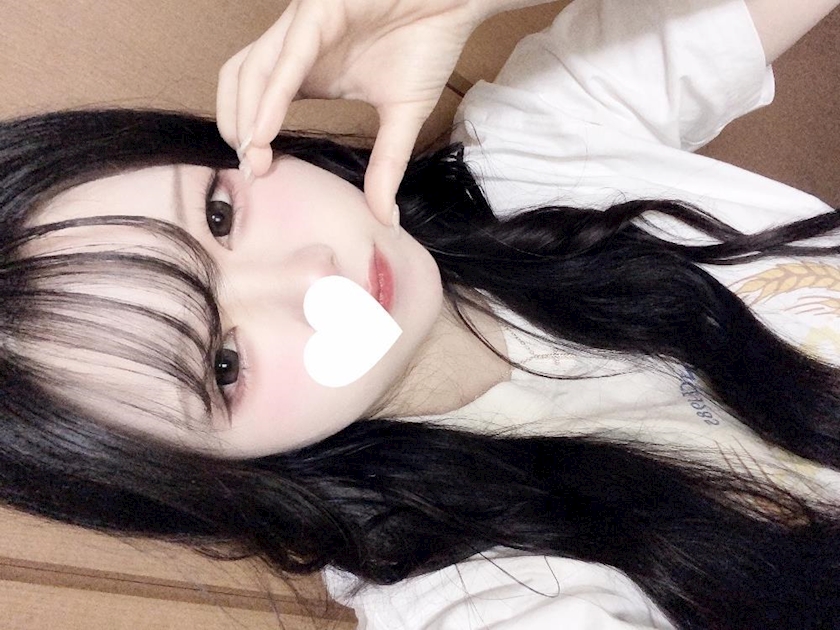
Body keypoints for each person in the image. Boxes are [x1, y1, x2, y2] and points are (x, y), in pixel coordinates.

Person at [1, 0, 839, 628]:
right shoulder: (475, 595)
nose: (312, 277)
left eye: (220, 216)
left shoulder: (536, 141)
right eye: (224, 364)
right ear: (208, 476)